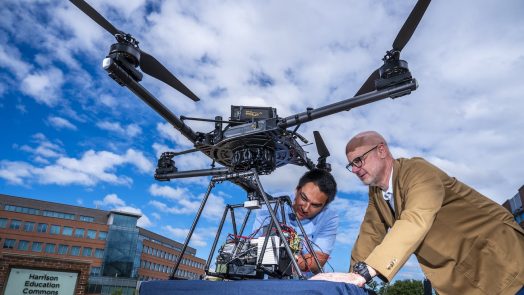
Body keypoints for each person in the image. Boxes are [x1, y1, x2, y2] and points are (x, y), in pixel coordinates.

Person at [311, 131, 524, 295]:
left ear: (381, 150)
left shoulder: (418, 172)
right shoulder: (377, 193)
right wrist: (350, 279)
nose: (355, 169)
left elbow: (415, 218)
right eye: (351, 165)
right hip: (465, 279)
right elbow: (370, 233)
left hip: (500, 263)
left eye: (359, 161)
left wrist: (368, 271)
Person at [252, 168, 339, 275]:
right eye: (304, 198)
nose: (306, 208)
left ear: (324, 206)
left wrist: (286, 258)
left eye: (315, 205)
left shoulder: (329, 217)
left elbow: (317, 262)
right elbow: (254, 248)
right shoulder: (271, 203)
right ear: (297, 190)